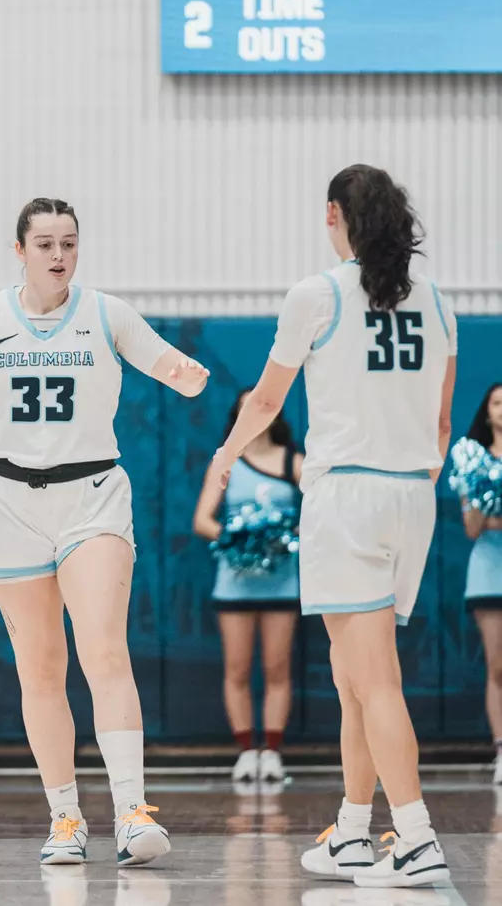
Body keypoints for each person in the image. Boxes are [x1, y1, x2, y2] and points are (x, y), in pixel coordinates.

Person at [0, 198, 209, 867]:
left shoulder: (106, 313)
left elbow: (168, 364)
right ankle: (65, 816)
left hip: (93, 496)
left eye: (69, 243)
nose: (58, 255)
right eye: (44, 243)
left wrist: (186, 379)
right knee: (40, 670)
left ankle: (132, 813)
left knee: (103, 652)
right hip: (7, 501)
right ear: (17, 250)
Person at [203, 165, 457, 890]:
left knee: (374, 683)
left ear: (332, 216)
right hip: (413, 495)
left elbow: (262, 401)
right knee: (353, 680)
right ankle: (351, 831)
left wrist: (224, 456)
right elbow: (441, 421)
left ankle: (413, 836)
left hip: (348, 496)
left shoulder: (315, 295)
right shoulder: (439, 303)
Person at [193, 388, 303, 784]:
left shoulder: (295, 461)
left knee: (277, 668)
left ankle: (271, 752)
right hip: (235, 582)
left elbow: (319, 514)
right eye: (247, 408)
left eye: (263, 405)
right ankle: (245, 752)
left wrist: (283, 536)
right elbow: (203, 519)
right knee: (237, 668)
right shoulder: (226, 461)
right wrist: (239, 539)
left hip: (282, 582)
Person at [459, 384, 502, 783]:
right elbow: (472, 526)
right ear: (487, 412)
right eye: (497, 403)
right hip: (489, 570)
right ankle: (501, 748)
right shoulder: (472, 460)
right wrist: (480, 502)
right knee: (498, 665)